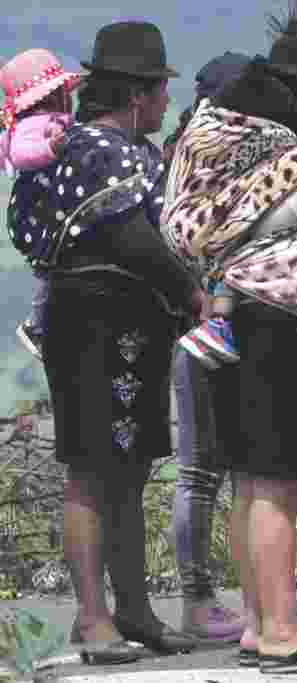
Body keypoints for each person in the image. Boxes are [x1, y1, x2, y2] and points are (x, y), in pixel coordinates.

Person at [8, 21, 202, 663]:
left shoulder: (79, 145)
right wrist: (191, 290)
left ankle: (135, 611)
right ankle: (94, 619)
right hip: (98, 320)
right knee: (93, 471)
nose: (163, 106)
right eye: (159, 91)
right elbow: (132, 239)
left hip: (120, 323)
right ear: (138, 95)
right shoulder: (101, 150)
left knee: (128, 470)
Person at [189, 17, 297, 674]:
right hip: (283, 322)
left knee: (250, 479)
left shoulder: (226, 147)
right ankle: (283, 628)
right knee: (281, 481)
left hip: (232, 319)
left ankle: (261, 615)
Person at [166, 52, 250, 643]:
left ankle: (258, 600)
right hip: (204, 329)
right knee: (202, 472)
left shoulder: (184, 152)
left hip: (219, 325)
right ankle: (199, 600)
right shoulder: (201, 158)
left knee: (237, 470)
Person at [1, 48, 81, 361]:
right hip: (39, 210)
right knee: (52, 264)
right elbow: (22, 154)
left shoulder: (49, 120)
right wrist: (50, 147)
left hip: (48, 207)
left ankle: (44, 323)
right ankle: (37, 324)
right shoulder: (32, 126)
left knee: (53, 267)